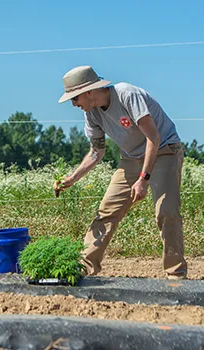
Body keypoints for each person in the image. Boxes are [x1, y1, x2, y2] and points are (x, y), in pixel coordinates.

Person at [55, 65, 187, 280]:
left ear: (89, 92)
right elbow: (96, 152)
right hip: (131, 158)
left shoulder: (127, 94)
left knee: (166, 210)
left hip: (164, 151)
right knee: (106, 211)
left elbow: (153, 137)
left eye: (74, 98)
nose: (74, 104)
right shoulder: (92, 113)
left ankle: (176, 274)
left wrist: (143, 179)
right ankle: (85, 268)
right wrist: (72, 179)